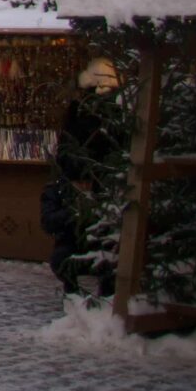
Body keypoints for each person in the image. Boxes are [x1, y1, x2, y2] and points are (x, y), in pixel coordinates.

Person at [51, 56, 127, 297]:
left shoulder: (85, 114)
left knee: (90, 243)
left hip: (96, 186)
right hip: (95, 186)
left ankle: (88, 292)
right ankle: (89, 292)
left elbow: (66, 149)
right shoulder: (100, 115)